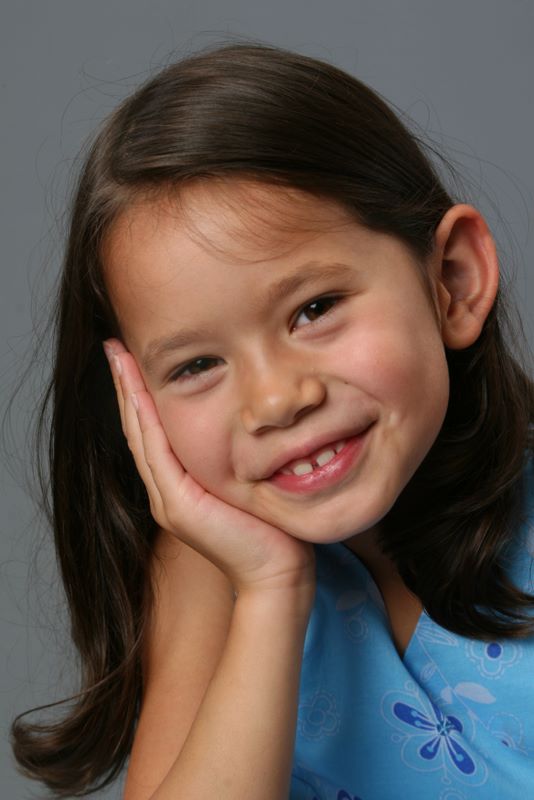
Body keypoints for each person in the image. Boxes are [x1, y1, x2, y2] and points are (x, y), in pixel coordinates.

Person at [10, 42, 534, 799]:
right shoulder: (212, 572)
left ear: (453, 279)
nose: (276, 401)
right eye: (197, 365)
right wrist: (271, 591)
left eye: (314, 309)